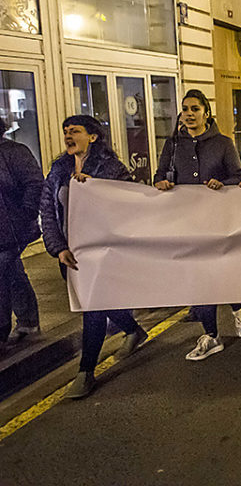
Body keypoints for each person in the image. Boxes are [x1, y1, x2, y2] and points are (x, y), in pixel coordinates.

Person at [40, 115, 148, 398]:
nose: (68, 136)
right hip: (71, 255)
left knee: (94, 308)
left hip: (103, 254)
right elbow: (48, 211)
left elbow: (129, 201)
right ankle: (133, 330)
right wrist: (57, 247)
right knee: (97, 304)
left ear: (93, 136)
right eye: (65, 131)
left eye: (75, 131)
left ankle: (85, 372)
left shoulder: (110, 168)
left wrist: (97, 187)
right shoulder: (59, 169)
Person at [153, 90, 241, 361]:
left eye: (195, 108)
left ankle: (236, 303)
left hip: (218, 223)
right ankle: (211, 334)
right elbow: (160, 174)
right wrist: (162, 182)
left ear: (206, 111)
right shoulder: (172, 145)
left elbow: (239, 178)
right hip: (187, 224)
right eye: (185, 109)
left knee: (221, 273)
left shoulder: (223, 143)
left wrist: (222, 184)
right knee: (199, 280)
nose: (190, 114)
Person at [0, 118, 43, 350]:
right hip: (8, 229)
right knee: (12, 271)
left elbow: (34, 184)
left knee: (4, 270)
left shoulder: (14, 152)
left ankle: (5, 329)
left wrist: (25, 213)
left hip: (13, 228)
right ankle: (28, 322)